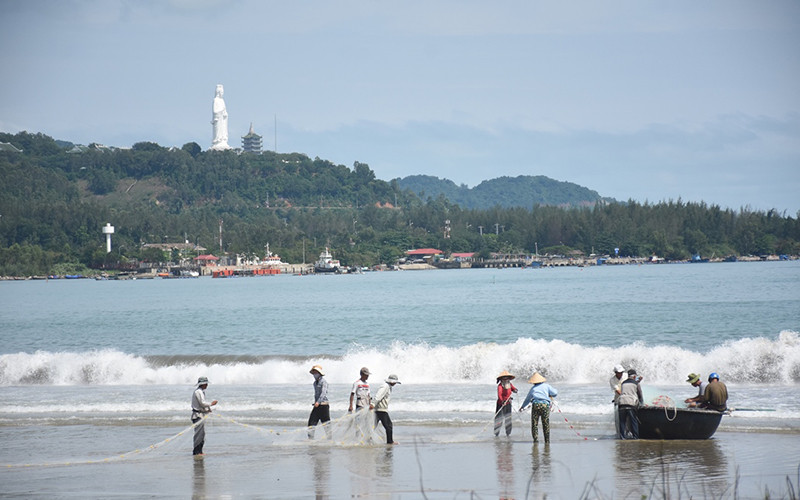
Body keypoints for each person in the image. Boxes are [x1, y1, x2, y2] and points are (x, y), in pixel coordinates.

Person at [519, 372, 558, 444]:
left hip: (536, 405)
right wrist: (549, 394)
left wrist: (522, 407)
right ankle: (547, 440)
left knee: (534, 423)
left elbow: (527, 399)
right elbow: (555, 393)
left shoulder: (533, 388)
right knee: (545, 423)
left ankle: (535, 440)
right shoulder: (547, 386)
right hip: (545, 405)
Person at [191, 376, 218, 456]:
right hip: (197, 416)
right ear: (203, 384)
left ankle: (199, 451)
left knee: (201, 434)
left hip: (200, 415)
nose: (207, 385)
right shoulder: (198, 392)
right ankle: (197, 452)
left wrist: (208, 409)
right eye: (206, 383)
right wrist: (211, 404)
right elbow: (202, 403)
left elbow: (202, 404)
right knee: (199, 434)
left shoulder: (201, 391)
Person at [373, 374, 401, 444]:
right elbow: (378, 396)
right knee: (389, 425)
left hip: (380, 409)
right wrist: (373, 404)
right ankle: (390, 441)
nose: (395, 383)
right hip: (381, 409)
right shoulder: (385, 386)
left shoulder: (388, 387)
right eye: (394, 382)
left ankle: (365, 438)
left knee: (373, 426)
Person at [617, 369, 643, 439]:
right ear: (634, 376)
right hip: (631, 403)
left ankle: (622, 437)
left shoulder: (623, 383)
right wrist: (641, 403)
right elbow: (639, 394)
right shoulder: (636, 384)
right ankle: (635, 437)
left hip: (622, 403)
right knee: (633, 421)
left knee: (622, 422)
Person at [307, 365, 330, 439]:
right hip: (317, 405)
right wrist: (316, 402)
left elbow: (323, 393)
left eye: (315, 372)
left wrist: (318, 402)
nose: (314, 374)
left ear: (319, 373)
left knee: (326, 424)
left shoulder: (324, 382)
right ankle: (310, 439)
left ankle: (329, 439)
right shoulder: (314, 383)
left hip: (323, 405)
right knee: (311, 423)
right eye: (313, 373)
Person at [494, 370, 518, 437]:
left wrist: (515, 390)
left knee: (508, 418)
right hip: (501, 404)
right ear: (501, 379)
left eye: (507, 377)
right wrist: (502, 401)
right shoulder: (500, 386)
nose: (506, 379)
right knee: (499, 419)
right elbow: (499, 395)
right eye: (504, 378)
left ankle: (508, 433)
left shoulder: (509, 384)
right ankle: (497, 433)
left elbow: (513, 389)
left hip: (508, 404)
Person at [210, 84, 231, 150]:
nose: (222, 94)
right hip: (218, 120)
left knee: (223, 131)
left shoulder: (222, 100)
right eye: (221, 92)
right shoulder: (215, 100)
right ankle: (218, 141)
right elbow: (215, 111)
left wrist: (225, 114)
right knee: (218, 132)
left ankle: (223, 141)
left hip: (223, 120)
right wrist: (221, 111)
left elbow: (225, 111)